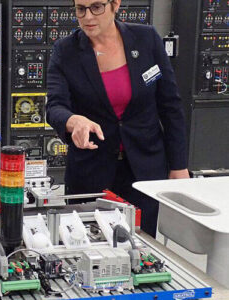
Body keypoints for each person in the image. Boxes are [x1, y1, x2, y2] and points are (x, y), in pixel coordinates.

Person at [45, 0, 189, 237]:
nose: (88, 17)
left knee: (142, 247)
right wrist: (74, 121)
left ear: (115, 4)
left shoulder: (146, 39)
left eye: (97, 7)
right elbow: (55, 106)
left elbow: (171, 106)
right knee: (89, 248)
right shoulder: (66, 51)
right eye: (81, 9)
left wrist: (179, 166)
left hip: (145, 170)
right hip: (92, 173)